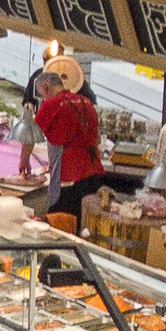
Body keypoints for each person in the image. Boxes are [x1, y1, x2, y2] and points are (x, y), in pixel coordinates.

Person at [32, 58, 134, 224]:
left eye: (41, 93)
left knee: (60, 222)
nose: (42, 98)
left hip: (69, 175)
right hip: (93, 171)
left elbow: (30, 135)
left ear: (45, 88)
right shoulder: (86, 102)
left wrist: (24, 161)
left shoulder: (52, 104)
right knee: (85, 221)